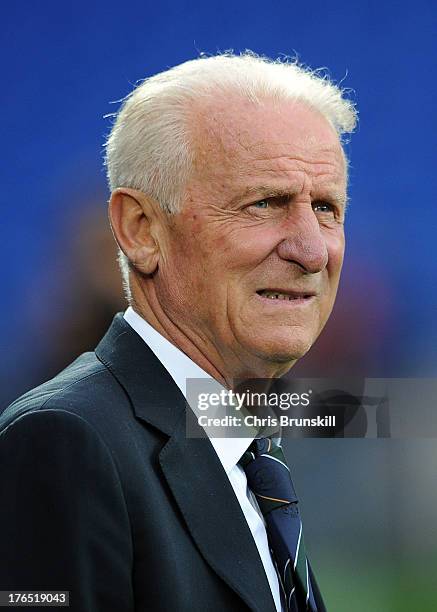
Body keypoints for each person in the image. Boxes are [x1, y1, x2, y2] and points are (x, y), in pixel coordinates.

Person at [0, 52, 357, 611]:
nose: (312, 251)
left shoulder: (251, 453)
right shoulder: (66, 442)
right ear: (141, 230)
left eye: (327, 208)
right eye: (265, 203)